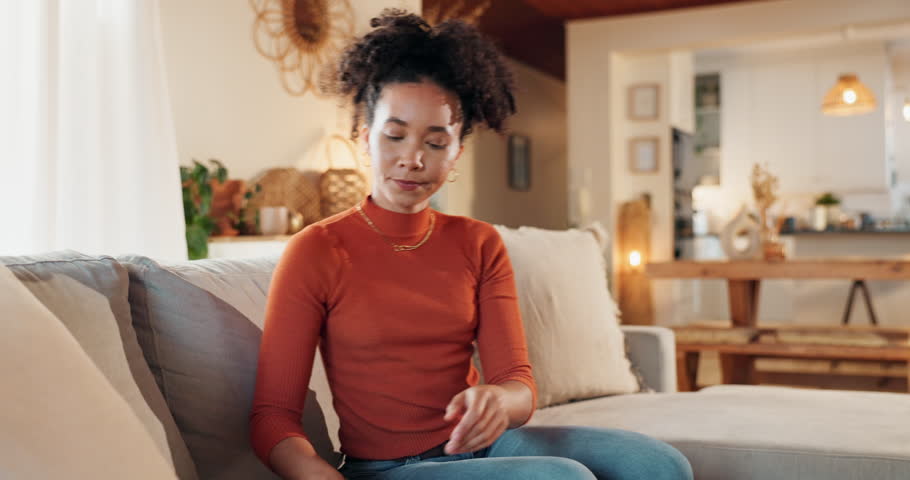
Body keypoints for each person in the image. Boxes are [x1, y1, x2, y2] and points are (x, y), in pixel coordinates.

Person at [249, 9, 693, 480]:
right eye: (395, 135)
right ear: (365, 138)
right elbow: (271, 416)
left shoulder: (478, 243)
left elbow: (519, 385)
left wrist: (500, 400)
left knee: (660, 465)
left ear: (457, 151)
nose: (413, 159)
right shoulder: (317, 249)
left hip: (487, 448)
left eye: (436, 143)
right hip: (388, 468)